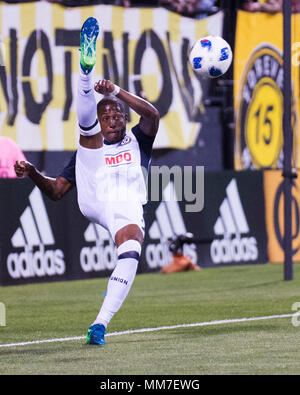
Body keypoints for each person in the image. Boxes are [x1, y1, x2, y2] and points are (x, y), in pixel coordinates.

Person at [14, 17, 160, 346]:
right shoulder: (86, 149)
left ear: (125, 119)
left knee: (133, 245)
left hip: (124, 206)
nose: (111, 119)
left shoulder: (138, 140)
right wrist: (34, 172)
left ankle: (100, 326)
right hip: (94, 195)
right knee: (88, 136)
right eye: (105, 114)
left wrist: (116, 92)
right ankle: (85, 71)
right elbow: (56, 192)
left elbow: (151, 116)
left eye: (116, 115)